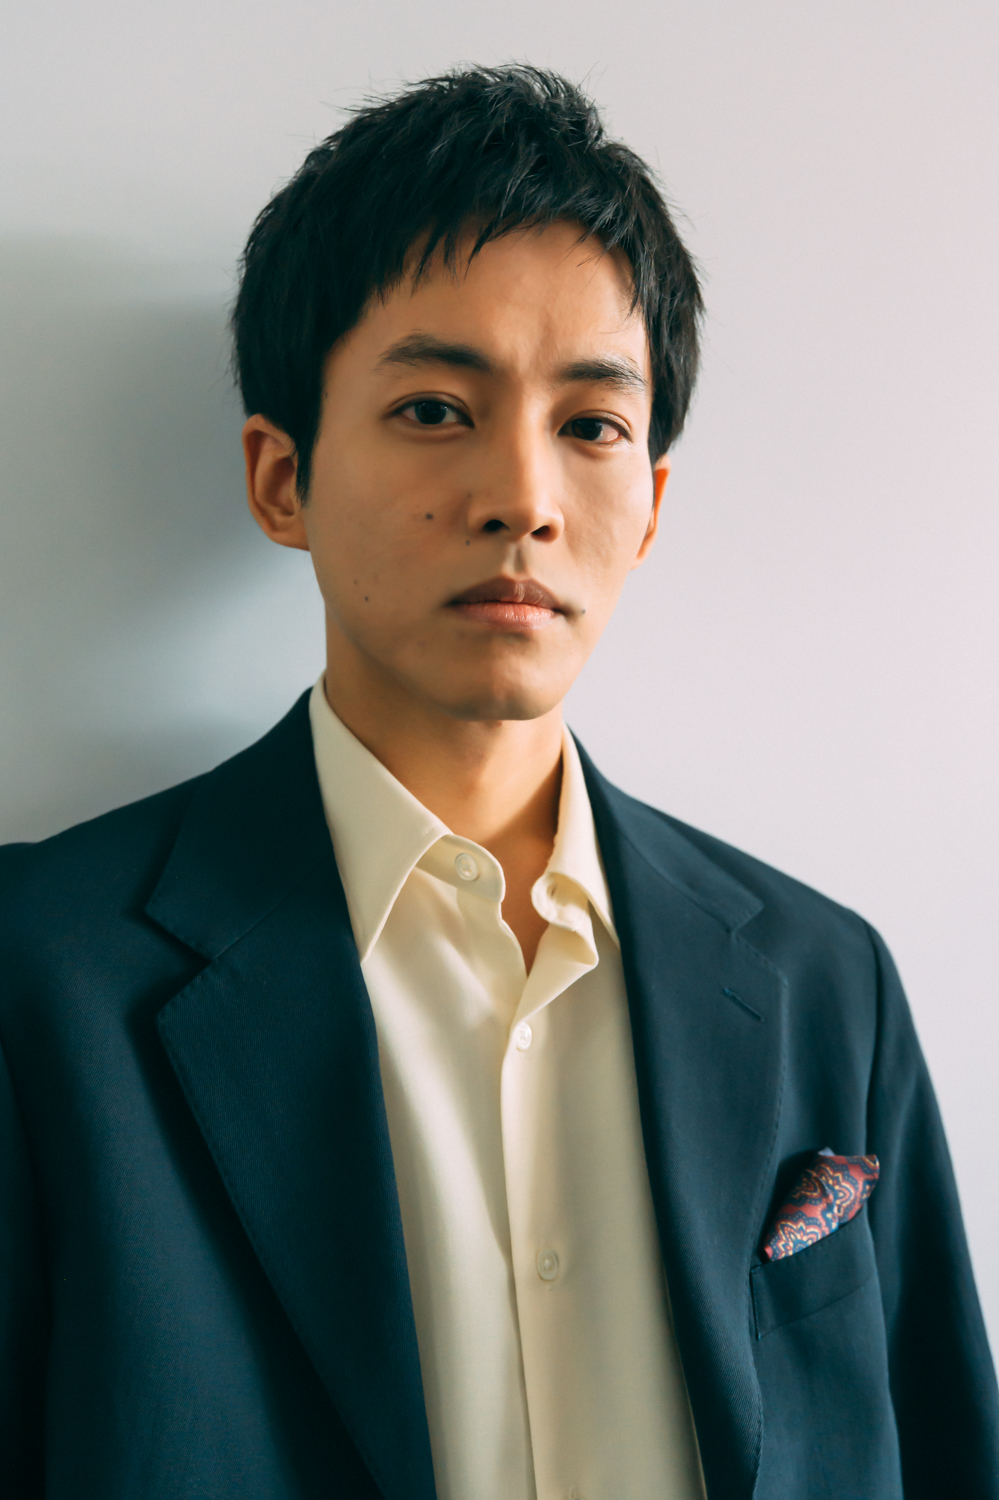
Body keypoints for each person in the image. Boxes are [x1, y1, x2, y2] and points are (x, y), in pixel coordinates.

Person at [0, 64, 995, 1500]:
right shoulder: (46, 977)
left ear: (649, 507)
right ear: (281, 480)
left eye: (591, 425)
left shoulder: (825, 983)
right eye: (433, 408)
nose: (523, 497)